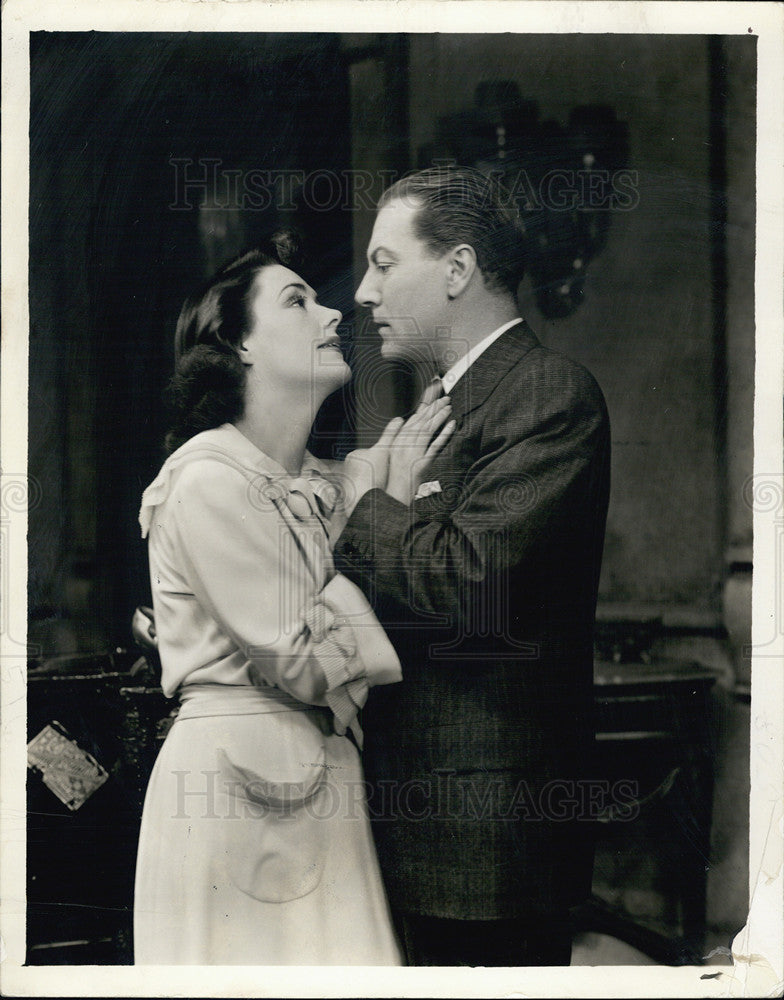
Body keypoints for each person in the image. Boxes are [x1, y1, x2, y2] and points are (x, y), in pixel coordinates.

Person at [132, 232, 453, 965]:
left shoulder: (323, 482)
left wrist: (386, 495)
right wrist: (388, 507)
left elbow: (363, 502)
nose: (334, 314)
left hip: (321, 778)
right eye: (298, 300)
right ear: (239, 344)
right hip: (232, 791)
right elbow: (303, 661)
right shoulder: (208, 480)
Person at [333, 167, 612, 966]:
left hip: (484, 844)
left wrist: (363, 504)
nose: (361, 290)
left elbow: (468, 582)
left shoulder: (547, 393)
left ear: (457, 270)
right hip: (427, 826)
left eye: (385, 264)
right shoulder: (444, 408)